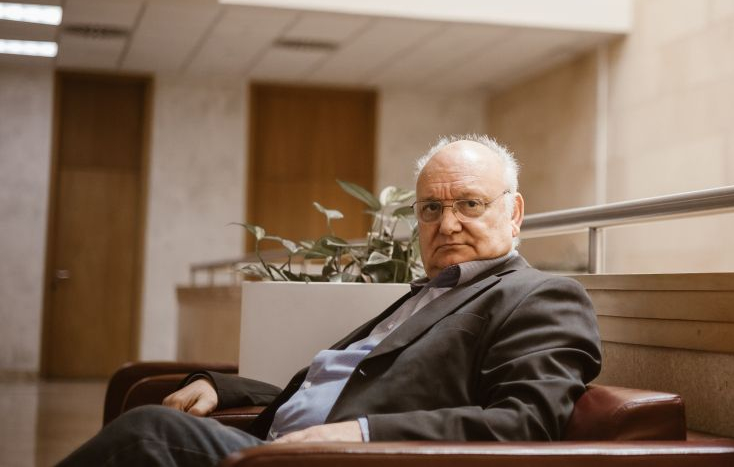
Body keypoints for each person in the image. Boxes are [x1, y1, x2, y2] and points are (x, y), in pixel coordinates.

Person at [58, 135, 602, 466]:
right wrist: (222, 386)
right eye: (431, 210)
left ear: (514, 212)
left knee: (149, 434)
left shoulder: (540, 297)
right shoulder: (428, 295)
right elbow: (342, 386)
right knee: (149, 415)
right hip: (280, 444)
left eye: (470, 204)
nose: (448, 223)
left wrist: (357, 435)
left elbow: (524, 423)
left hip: (343, 460)